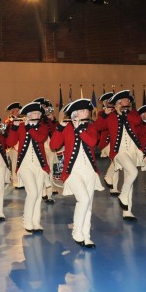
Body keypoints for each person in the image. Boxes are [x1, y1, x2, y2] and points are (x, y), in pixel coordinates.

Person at [50, 98, 104, 248]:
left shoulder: (90, 127)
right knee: (84, 200)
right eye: (82, 110)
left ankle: (86, 236)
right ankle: (76, 231)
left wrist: (80, 129)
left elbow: (93, 142)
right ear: (74, 113)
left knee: (89, 205)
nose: (85, 112)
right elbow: (53, 145)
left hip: (90, 171)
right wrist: (60, 128)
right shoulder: (66, 128)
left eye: (87, 110)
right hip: (72, 172)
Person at [95, 90, 144, 221]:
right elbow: (98, 126)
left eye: (128, 100)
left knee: (130, 178)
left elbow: (138, 121)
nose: (128, 101)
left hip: (133, 150)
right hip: (119, 152)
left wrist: (124, 113)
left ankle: (127, 211)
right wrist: (104, 115)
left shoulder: (131, 113)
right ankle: (123, 196)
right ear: (118, 102)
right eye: (125, 100)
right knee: (133, 172)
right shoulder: (110, 116)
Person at [6, 101, 50, 233]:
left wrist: (28, 127)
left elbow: (39, 138)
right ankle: (27, 219)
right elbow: (9, 142)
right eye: (33, 113)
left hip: (40, 165)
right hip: (25, 165)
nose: (36, 115)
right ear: (28, 115)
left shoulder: (43, 127)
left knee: (37, 195)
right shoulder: (21, 127)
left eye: (38, 113)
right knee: (33, 192)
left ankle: (36, 221)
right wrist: (14, 127)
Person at [96, 92, 120, 196]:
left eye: (111, 100)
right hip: (107, 142)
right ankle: (108, 177)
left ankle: (114, 188)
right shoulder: (102, 113)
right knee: (117, 159)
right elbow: (100, 127)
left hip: (117, 141)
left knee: (117, 164)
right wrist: (107, 114)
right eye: (108, 101)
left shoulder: (118, 112)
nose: (110, 103)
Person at [4, 102, 23, 189]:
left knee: (20, 164)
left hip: (20, 144)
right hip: (13, 146)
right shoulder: (8, 120)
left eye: (19, 110)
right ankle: (16, 182)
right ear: (12, 111)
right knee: (15, 164)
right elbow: (7, 133)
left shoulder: (21, 119)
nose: (19, 112)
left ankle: (21, 181)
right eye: (17, 110)